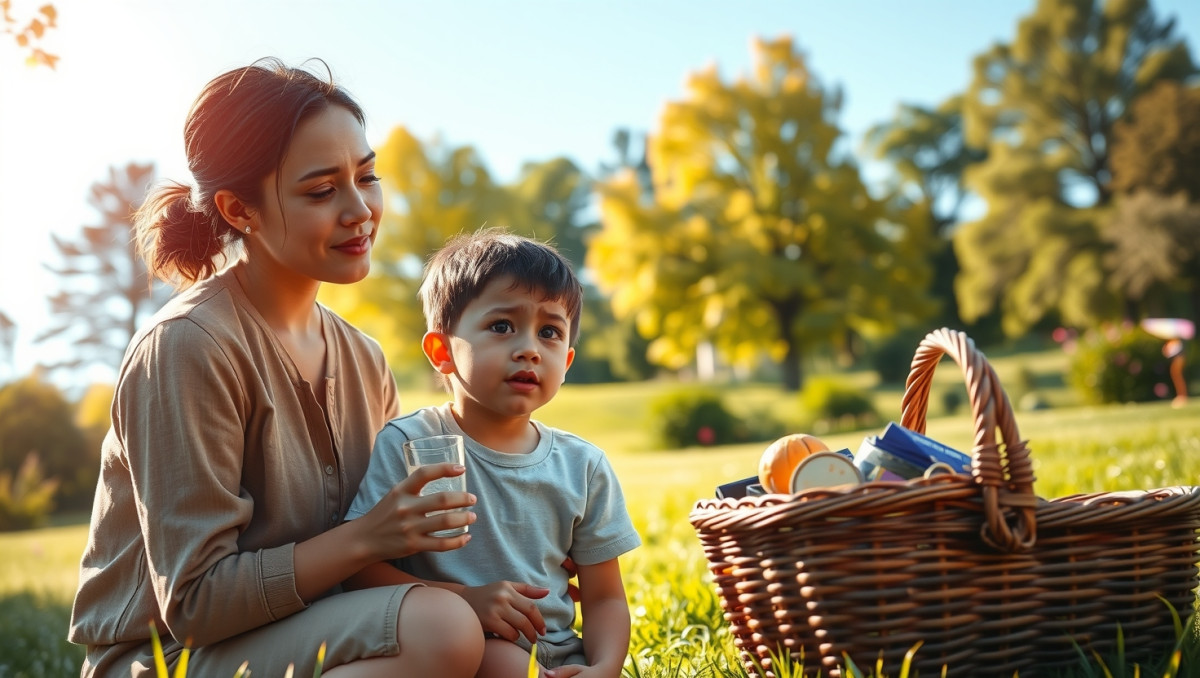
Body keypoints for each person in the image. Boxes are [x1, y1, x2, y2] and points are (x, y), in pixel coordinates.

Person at [68, 58, 486, 678]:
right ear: (241, 211)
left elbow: (397, 552)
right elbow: (194, 602)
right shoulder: (187, 347)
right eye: (321, 191)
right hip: (173, 658)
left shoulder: (364, 359)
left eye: (366, 177)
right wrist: (367, 538)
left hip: (308, 629)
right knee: (442, 632)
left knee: (486, 639)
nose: (360, 210)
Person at [345, 229, 641, 678]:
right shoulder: (409, 445)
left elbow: (604, 597)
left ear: (567, 360)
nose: (529, 349)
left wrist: (603, 668)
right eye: (502, 326)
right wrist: (464, 601)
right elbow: (362, 570)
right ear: (442, 351)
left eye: (549, 332)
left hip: (562, 657)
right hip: (460, 648)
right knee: (502, 660)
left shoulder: (583, 466)